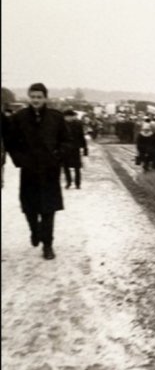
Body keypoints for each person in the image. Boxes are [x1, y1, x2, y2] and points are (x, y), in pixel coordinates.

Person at [3, 83, 69, 260]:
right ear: (29, 98)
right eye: (33, 97)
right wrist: (20, 160)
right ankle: (34, 230)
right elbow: (10, 142)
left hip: (49, 170)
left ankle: (48, 245)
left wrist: (58, 156)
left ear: (45, 98)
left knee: (49, 209)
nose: (36, 100)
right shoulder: (19, 118)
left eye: (39, 97)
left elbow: (66, 141)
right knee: (30, 208)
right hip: (29, 170)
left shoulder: (56, 118)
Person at [62, 110, 87, 189]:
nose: (68, 118)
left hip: (75, 148)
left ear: (72, 116)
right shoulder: (61, 125)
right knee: (66, 167)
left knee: (77, 167)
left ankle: (77, 183)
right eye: (66, 116)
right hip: (65, 148)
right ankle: (68, 182)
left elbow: (81, 136)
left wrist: (85, 148)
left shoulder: (78, 124)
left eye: (70, 116)